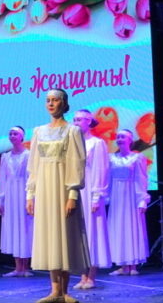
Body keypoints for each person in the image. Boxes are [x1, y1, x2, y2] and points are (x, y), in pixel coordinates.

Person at [25, 89, 90, 303]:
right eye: (48, 100)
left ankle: (65, 291)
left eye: (55, 100)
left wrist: (72, 194)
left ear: (64, 103)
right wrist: (30, 194)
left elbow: (77, 163)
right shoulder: (38, 131)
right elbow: (33, 165)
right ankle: (55, 291)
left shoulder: (72, 131)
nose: (51, 104)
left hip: (62, 187)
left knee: (65, 235)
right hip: (44, 188)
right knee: (49, 236)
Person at [72, 110, 111, 289]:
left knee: (93, 231)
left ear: (89, 121)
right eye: (74, 120)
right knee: (79, 233)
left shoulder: (97, 143)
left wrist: (96, 196)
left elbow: (101, 170)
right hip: (76, 192)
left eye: (79, 119)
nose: (76, 122)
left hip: (91, 190)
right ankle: (82, 276)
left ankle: (91, 276)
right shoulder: (71, 144)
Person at [107, 129, 149, 276]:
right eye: (118, 137)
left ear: (130, 140)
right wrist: (106, 197)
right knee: (118, 227)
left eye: (123, 137)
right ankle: (122, 265)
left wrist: (142, 200)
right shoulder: (111, 158)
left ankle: (133, 265)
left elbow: (141, 179)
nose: (119, 139)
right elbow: (108, 179)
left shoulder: (137, 158)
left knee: (132, 226)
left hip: (131, 195)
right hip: (117, 196)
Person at [0, 127, 33, 277]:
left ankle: (25, 267)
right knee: (13, 228)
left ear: (22, 137)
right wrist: (1, 200)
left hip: (23, 193)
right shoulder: (5, 157)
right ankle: (18, 267)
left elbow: (32, 177)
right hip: (10, 195)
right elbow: (2, 179)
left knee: (25, 228)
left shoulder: (28, 155)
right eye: (10, 133)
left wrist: (31, 198)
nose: (12, 136)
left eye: (15, 133)